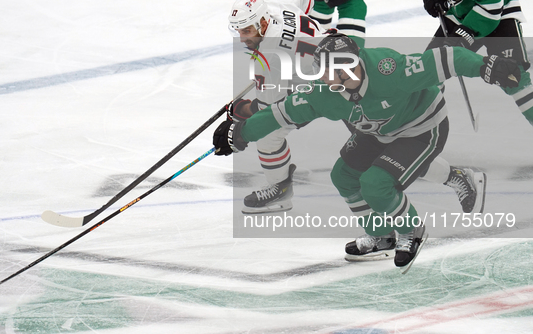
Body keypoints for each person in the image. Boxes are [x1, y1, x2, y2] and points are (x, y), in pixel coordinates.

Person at [213, 30, 521, 270]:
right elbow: (279, 114)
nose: (342, 74)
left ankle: (411, 231)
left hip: (422, 128)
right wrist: (239, 133)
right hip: (377, 131)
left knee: (376, 183)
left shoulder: (389, 68)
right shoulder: (323, 93)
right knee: (343, 176)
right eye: (332, 70)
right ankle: (382, 235)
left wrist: (486, 66)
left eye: (347, 65)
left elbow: (447, 59)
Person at [227, 0, 323, 214]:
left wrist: (240, 110)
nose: (242, 39)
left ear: (262, 23)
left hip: (325, 88)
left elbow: (266, 109)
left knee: (269, 134)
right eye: (238, 31)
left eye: (246, 31)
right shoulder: (276, 6)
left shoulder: (268, 57)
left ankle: (280, 192)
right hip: (339, 52)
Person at [418, 0, 533, 125]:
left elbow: (492, 5)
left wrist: (465, 34)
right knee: (428, 71)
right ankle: (416, 133)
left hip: (499, 13)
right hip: (460, 12)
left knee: (514, 77)